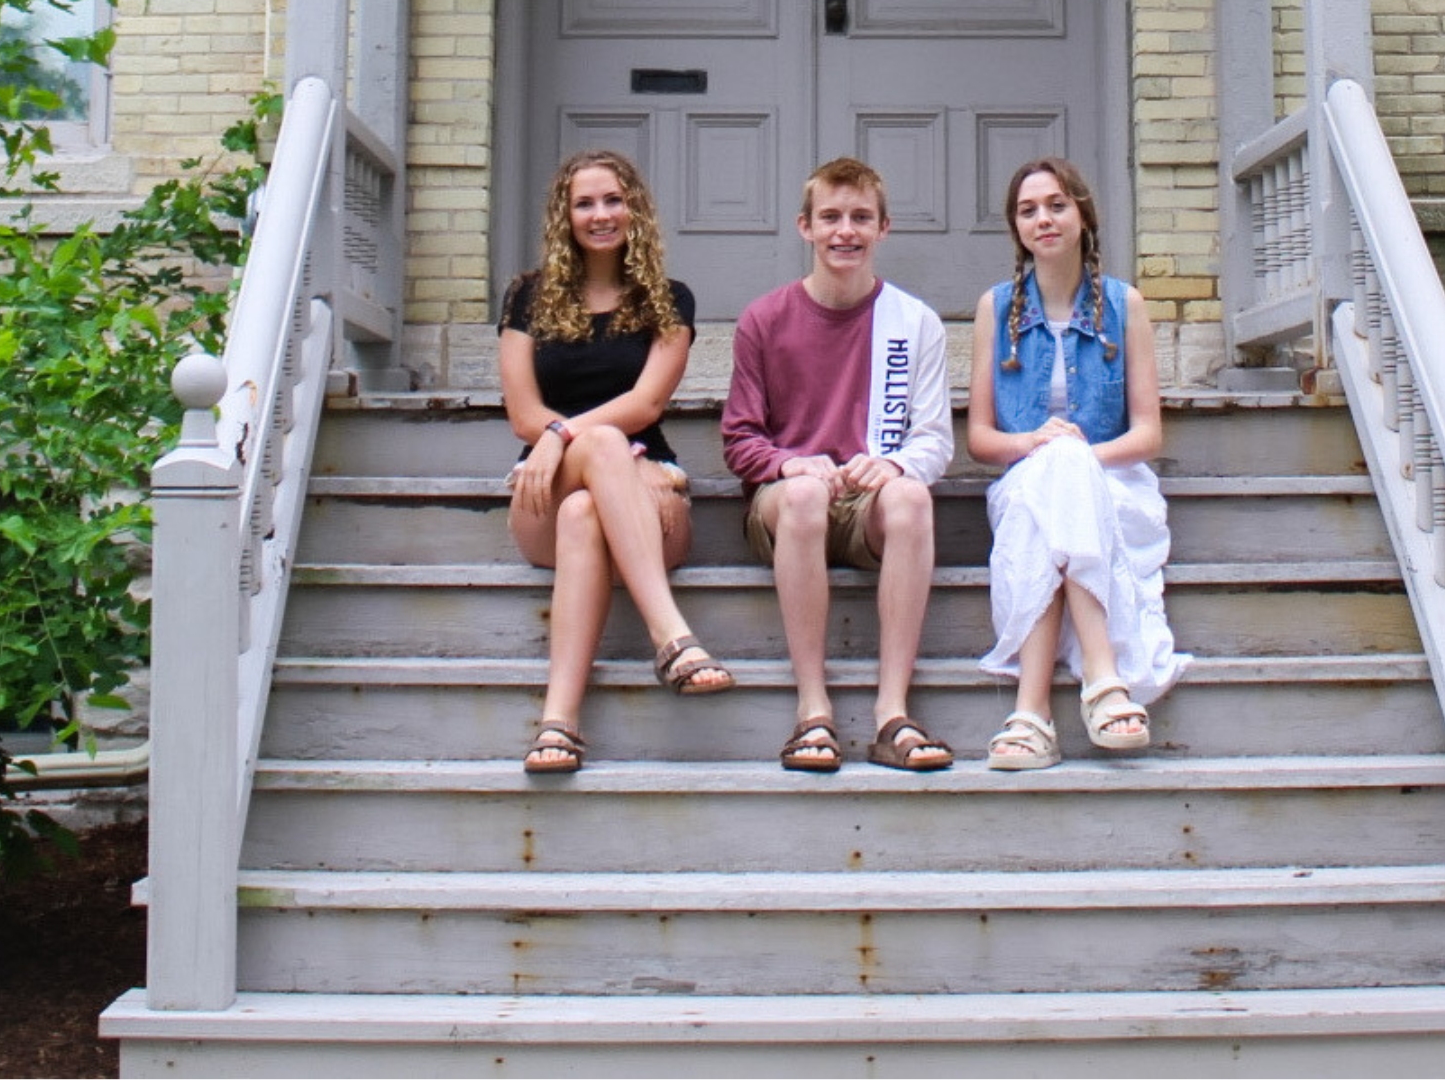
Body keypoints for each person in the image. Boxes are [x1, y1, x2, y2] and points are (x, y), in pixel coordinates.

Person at [499, 149, 731, 775]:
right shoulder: (527, 296)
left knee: (584, 513)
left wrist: (558, 433)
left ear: (635, 209)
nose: (600, 215)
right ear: (564, 215)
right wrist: (551, 440)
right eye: (585, 203)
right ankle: (672, 639)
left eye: (612, 200)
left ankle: (557, 722)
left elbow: (647, 402)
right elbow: (522, 411)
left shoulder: (667, 299)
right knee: (594, 456)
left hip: (647, 494)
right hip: (541, 490)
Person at [721, 157, 955, 773]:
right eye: (830, 217)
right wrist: (791, 465)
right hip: (790, 505)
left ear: (884, 228)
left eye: (859, 218)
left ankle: (891, 715)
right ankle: (813, 711)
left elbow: (934, 439)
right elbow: (740, 441)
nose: (844, 231)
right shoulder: (764, 320)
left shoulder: (915, 322)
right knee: (801, 499)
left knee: (912, 498)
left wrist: (898, 467)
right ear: (805, 227)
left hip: (866, 504)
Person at [966, 157, 1186, 771]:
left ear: (1083, 215)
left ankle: (1031, 711)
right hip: (1028, 479)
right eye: (1028, 209)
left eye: (1057, 205)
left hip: (1116, 480)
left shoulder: (1124, 304)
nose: (1043, 219)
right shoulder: (996, 307)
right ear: (1015, 227)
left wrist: (1075, 459)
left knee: (1061, 487)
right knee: (1054, 481)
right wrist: (1041, 447)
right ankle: (1104, 681)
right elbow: (982, 439)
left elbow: (1147, 434)